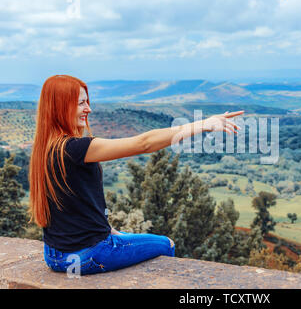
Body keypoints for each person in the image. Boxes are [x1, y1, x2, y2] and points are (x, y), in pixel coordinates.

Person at [28, 75, 243, 275]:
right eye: (81, 103)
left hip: (55, 256)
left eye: (87, 101)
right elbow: (144, 143)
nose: (89, 109)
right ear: (61, 106)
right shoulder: (73, 148)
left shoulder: (47, 148)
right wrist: (203, 125)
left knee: (128, 238)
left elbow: (76, 204)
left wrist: (109, 230)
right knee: (166, 244)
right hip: (87, 255)